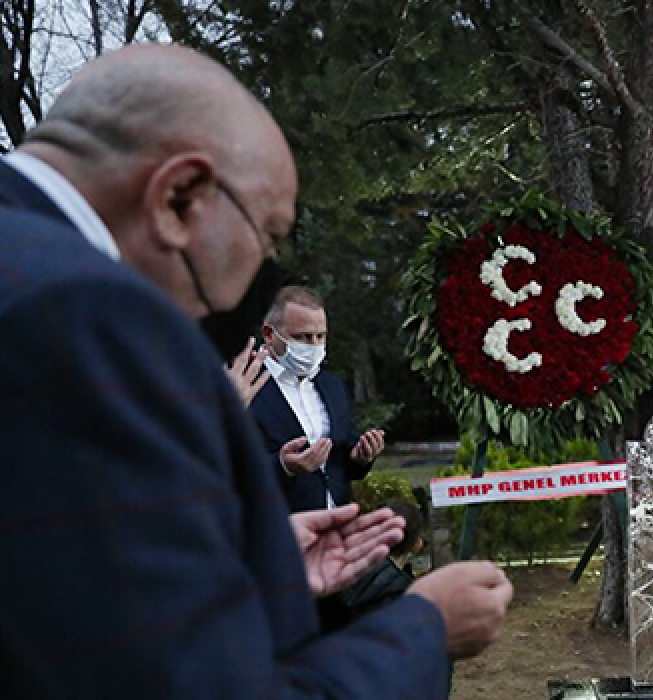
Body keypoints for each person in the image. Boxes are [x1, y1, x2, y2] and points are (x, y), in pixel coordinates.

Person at [0, 43, 511, 697]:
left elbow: (62, 602)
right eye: (267, 236)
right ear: (179, 198)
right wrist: (425, 628)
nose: (262, 269)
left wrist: (257, 569)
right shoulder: (90, 318)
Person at [250, 286, 385, 513]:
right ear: (269, 334)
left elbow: (341, 460)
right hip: (279, 528)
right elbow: (227, 467)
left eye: (320, 336)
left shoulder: (331, 385)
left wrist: (360, 456)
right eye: (301, 337)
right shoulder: (244, 385)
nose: (312, 345)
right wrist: (283, 466)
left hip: (337, 523)